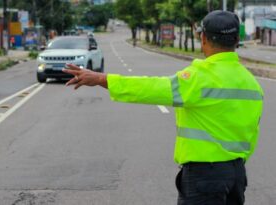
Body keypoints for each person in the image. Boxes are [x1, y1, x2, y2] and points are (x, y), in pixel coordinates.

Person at [63, 10, 263, 205]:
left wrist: (101, 79)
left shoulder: (199, 78)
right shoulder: (252, 83)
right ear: (237, 40)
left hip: (204, 177)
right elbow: (252, 132)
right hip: (237, 175)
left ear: (203, 39)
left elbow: (150, 88)